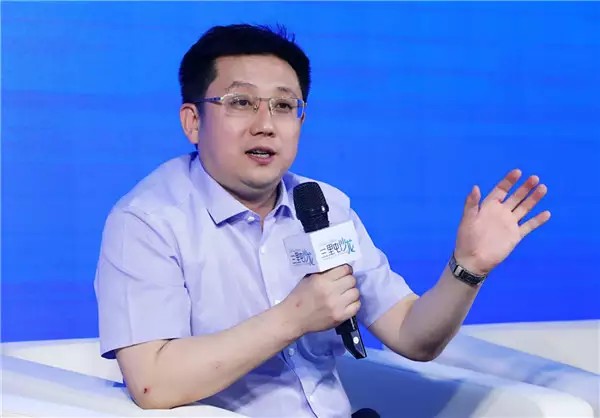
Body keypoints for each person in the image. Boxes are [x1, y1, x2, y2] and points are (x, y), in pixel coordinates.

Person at [94, 24, 551, 417]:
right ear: (193, 122)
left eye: (283, 106)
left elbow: (412, 336)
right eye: (241, 102)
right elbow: (153, 382)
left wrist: (467, 268)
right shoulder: (147, 222)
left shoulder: (323, 205)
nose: (265, 124)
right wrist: (293, 317)